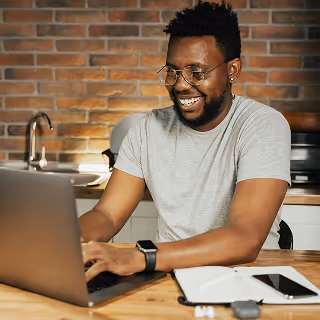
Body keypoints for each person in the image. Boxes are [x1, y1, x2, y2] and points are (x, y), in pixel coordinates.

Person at [79, 0, 291, 282]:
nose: (180, 84)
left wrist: (140, 257)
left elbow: (245, 239)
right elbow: (106, 214)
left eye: (197, 73)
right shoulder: (146, 129)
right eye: (173, 71)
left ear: (233, 70)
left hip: (246, 278)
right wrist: (60, 241)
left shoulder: (262, 125)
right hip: (166, 275)